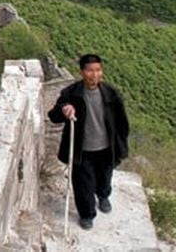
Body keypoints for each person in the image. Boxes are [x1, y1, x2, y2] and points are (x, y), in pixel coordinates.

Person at [47, 54, 129, 230]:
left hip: (106, 147)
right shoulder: (71, 93)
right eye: (90, 70)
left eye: (98, 70)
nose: (95, 74)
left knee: (105, 177)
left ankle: (103, 195)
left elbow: (122, 122)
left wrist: (121, 146)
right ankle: (86, 213)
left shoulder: (110, 93)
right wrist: (64, 109)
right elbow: (53, 117)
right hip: (82, 149)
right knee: (83, 184)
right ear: (82, 72)